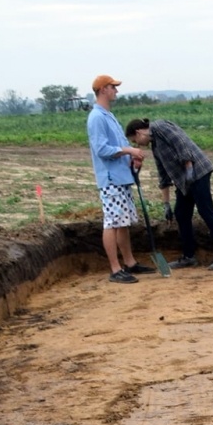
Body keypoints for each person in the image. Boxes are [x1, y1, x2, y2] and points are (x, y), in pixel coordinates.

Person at [123, 117, 213, 270]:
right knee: (181, 214)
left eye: (135, 141)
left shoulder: (159, 127)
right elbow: (163, 175)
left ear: (138, 132)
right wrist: (166, 204)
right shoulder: (155, 146)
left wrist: (189, 168)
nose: (137, 145)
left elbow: (181, 142)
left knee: (206, 211)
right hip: (184, 181)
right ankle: (189, 256)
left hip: (198, 172)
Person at [86, 75, 151, 284]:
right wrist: (129, 150)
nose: (116, 91)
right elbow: (102, 149)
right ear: (103, 89)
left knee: (123, 222)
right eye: (113, 87)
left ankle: (130, 263)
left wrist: (131, 159)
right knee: (112, 222)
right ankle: (115, 269)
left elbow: (117, 146)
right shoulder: (97, 117)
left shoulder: (108, 116)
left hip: (121, 177)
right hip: (110, 179)